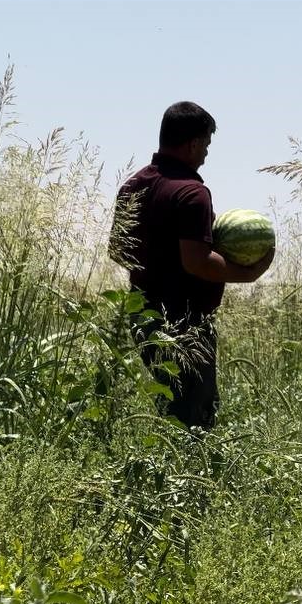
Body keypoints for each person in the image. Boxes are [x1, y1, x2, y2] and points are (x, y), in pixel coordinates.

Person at [110, 101, 273, 430]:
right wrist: (250, 273)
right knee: (195, 417)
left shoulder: (133, 185)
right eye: (207, 145)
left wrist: (156, 264)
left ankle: (165, 475)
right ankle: (191, 481)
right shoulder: (192, 194)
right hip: (185, 323)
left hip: (142, 314)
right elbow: (198, 262)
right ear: (194, 143)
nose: (206, 154)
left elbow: (118, 250)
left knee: (172, 406)